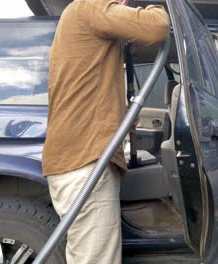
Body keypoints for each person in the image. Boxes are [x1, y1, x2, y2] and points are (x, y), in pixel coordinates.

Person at [42, 0, 170, 263]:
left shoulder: (80, 19)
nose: (124, 3)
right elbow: (158, 27)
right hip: (86, 163)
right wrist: (157, 7)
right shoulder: (89, 7)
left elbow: (99, 97)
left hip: (79, 160)